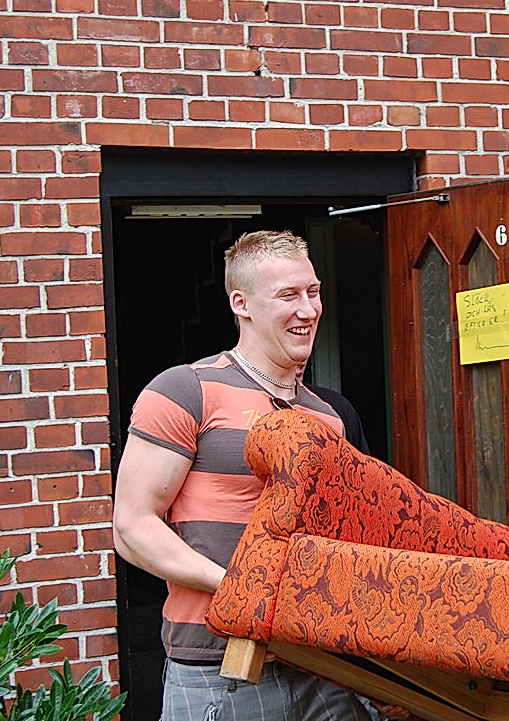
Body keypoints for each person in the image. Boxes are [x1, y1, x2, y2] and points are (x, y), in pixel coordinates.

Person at [112, 230, 376, 721]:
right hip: (220, 668)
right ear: (242, 304)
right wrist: (241, 586)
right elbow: (132, 527)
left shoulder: (330, 417)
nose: (308, 309)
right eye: (287, 295)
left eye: (313, 292)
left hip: (322, 665)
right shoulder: (186, 390)